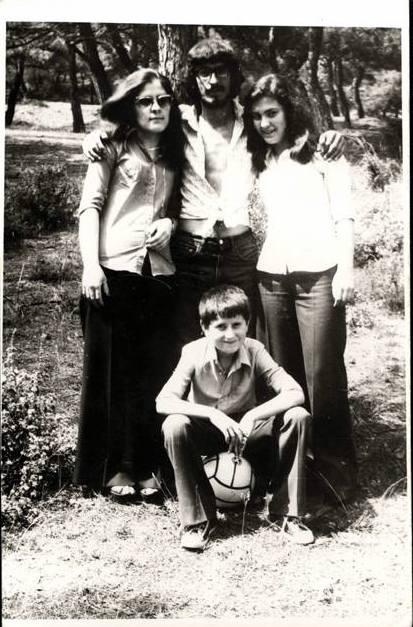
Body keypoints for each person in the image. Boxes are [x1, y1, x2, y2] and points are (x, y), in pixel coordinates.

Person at [82, 38, 345, 355]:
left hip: (240, 252)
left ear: (233, 76)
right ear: (193, 78)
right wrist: (97, 135)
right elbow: (132, 123)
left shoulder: (252, 121)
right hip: (189, 252)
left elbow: (292, 131)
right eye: (204, 73)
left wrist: (330, 136)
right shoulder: (177, 121)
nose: (212, 80)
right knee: (188, 347)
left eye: (221, 72)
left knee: (242, 345)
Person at [242, 74, 358, 505]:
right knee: (282, 377)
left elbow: (344, 215)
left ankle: (334, 476)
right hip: (272, 276)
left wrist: (346, 270)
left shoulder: (323, 152)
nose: (265, 123)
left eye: (272, 113)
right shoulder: (260, 158)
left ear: (290, 110)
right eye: (257, 116)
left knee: (322, 375)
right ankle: (288, 471)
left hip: (319, 275)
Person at [73, 69, 185, 501]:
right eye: (145, 101)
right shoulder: (110, 146)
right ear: (131, 106)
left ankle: (146, 466)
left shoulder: (177, 150)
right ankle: (113, 468)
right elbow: (90, 207)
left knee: (150, 373)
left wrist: (169, 223)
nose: (156, 108)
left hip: (157, 274)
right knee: (111, 375)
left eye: (163, 100)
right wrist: (91, 266)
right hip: (111, 271)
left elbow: (175, 206)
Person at [156, 285, 314, 551]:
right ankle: (197, 521)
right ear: (205, 328)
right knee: (174, 424)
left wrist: (253, 415)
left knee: (297, 416)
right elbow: (163, 401)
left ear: (247, 324)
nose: (230, 334)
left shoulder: (255, 349)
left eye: (237, 325)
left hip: (244, 432)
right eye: (221, 326)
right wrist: (212, 414)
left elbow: (295, 392)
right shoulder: (192, 352)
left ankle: (287, 514)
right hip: (207, 429)